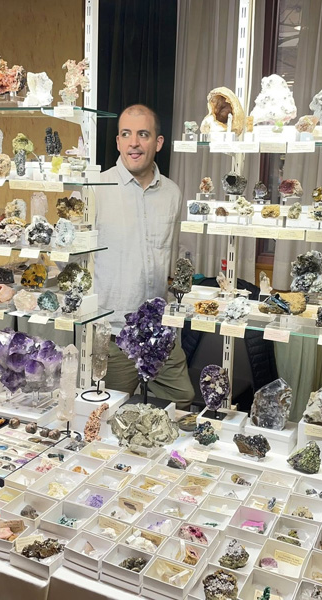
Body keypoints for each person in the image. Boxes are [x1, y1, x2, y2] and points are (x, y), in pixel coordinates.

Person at [94, 104, 194, 409]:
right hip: (113, 333)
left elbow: (174, 255)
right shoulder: (95, 188)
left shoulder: (173, 193)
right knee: (108, 412)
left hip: (159, 330)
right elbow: (69, 259)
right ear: (117, 142)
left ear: (158, 142)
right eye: (126, 134)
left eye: (143, 134)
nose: (134, 143)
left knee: (181, 401)